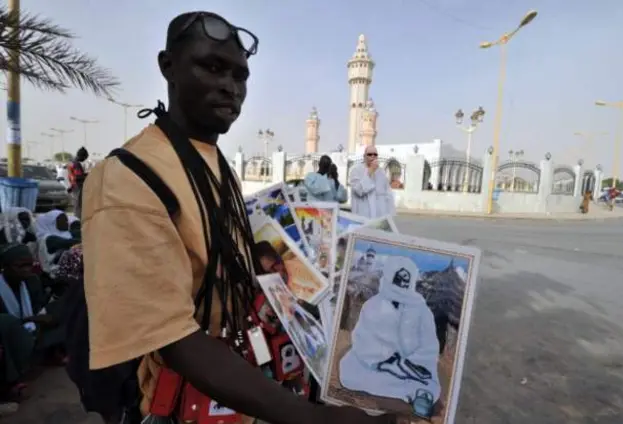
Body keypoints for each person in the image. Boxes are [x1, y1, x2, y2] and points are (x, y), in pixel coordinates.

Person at [81, 11, 394, 424]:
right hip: (185, 404)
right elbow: (173, 338)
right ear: (168, 66)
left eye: (240, 75)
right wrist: (309, 418)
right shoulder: (128, 177)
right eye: (212, 67)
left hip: (244, 382)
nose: (231, 87)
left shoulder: (211, 160)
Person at [339, 256, 441, 408]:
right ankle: (408, 391)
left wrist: (412, 362)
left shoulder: (421, 310)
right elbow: (362, 338)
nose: (403, 282)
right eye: (399, 278)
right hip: (377, 363)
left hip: (412, 367)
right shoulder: (373, 305)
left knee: (426, 384)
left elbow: (429, 344)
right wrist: (386, 361)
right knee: (350, 371)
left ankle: (418, 395)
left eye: (407, 279)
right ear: (390, 277)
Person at [0, 244, 64, 401]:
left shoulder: (32, 281)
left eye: (29, 265)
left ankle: (51, 354)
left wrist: (42, 314)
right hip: (7, 333)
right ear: (5, 267)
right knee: (9, 326)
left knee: (61, 309)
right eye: (20, 266)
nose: (26, 270)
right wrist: (30, 319)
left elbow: (38, 305)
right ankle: (12, 384)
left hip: (30, 325)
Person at [349, 146, 395, 218]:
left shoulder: (381, 172)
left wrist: (390, 214)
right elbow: (359, 190)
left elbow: (388, 194)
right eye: (369, 154)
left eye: (375, 154)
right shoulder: (356, 170)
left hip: (380, 215)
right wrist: (370, 171)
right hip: (363, 215)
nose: (372, 156)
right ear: (364, 156)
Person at [35, 211, 78, 280]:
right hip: (53, 277)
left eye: (66, 219)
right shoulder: (49, 238)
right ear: (52, 223)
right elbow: (69, 242)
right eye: (62, 220)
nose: (67, 222)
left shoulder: (67, 234)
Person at [67, 147, 89, 218]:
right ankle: (78, 221)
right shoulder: (77, 164)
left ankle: (77, 219)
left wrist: (85, 174)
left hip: (73, 186)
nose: (84, 159)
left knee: (76, 205)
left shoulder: (71, 162)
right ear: (82, 156)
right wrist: (88, 176)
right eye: (85, 157)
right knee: (79, 205)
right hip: (78, 186)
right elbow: (78, 177)